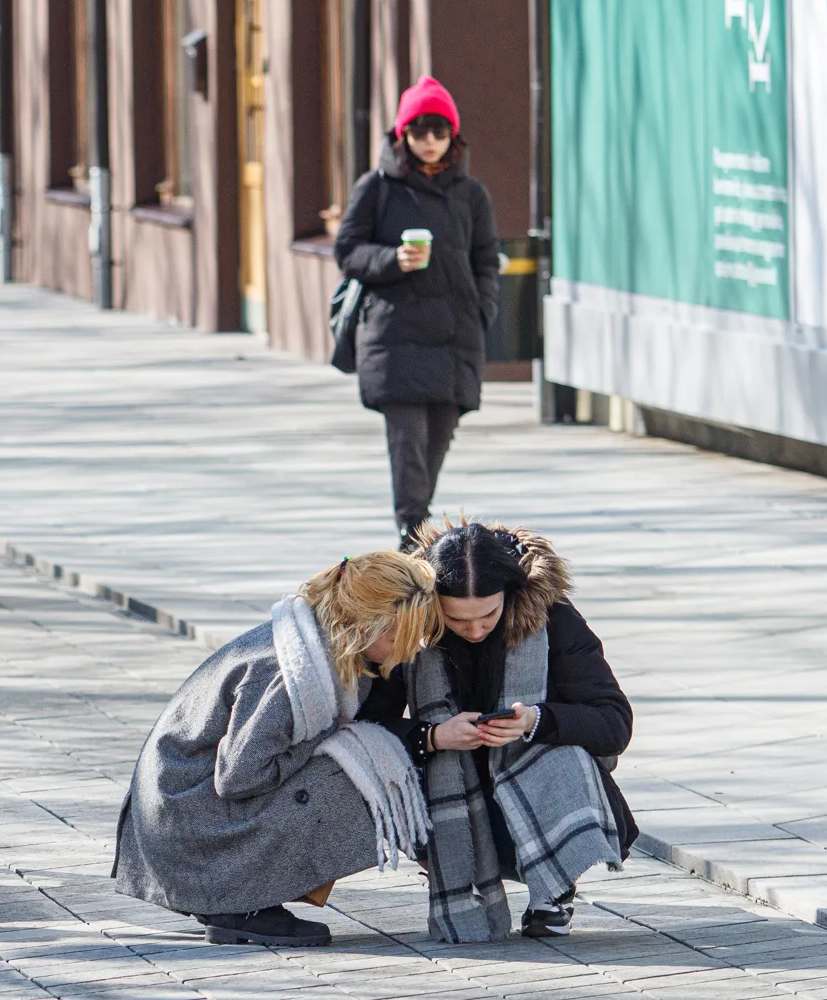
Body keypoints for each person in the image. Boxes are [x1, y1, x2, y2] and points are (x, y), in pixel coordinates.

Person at [113, 550, 440, 947]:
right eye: (397, 637)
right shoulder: (290, 675)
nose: (408, 649)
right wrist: (326, 738)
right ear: (363, 625)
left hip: (179, 817)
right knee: (361, 767)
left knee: (358, 751)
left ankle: (238, 894)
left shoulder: (315, 644)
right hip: (186, 834)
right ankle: (236, 903)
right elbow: (238, 777)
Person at [358, 523, 635, 942]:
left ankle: (553, 890)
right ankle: (453, 869)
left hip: (534, 784)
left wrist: (536, 721)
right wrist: (434, 736)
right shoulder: (408, 629)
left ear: (511, 592)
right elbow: (366, 727)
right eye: (456, 619)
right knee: (389, 765)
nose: (474, 630)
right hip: (452, 785)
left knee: (561, 752)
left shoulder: (553, 618)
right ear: (432, 606)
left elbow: (614, 722)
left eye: (489, 614)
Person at [334, 76, 499, 550]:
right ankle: (412, 540)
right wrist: (392, 260)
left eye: (439, 131)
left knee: (437, 442)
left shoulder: (471, 195)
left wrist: (483, 308)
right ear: (402, 134)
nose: (430, 141)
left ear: (453, 136)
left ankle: (417, 532)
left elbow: (486, 258)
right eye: (420, 130)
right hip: (396, 338)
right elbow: (347, 249)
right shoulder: (379, 187)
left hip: (453, 339)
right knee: (407, 446)